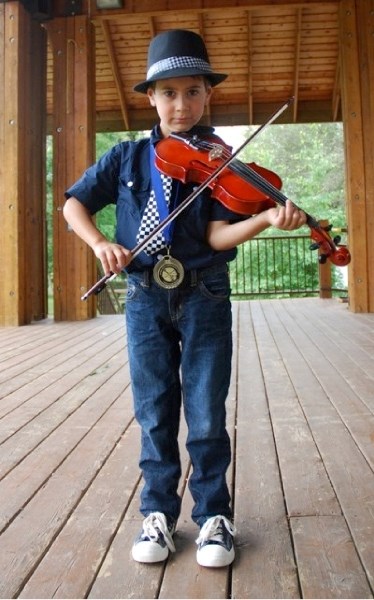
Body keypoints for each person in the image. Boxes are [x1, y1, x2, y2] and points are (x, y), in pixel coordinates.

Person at [63, 29, 306, 569]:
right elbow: (73, 205)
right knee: (153, 411)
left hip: (205, 295)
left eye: (192, 92)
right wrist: (102, 242)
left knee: (205, 412)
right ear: (149, 97)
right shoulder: (126, 158)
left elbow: (217, 237)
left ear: (207, 96)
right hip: (145, 296)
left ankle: (214, 515)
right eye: (168, 93)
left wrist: (265, 217)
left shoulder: (220, 163)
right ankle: (158, 513)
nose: (180, 104)